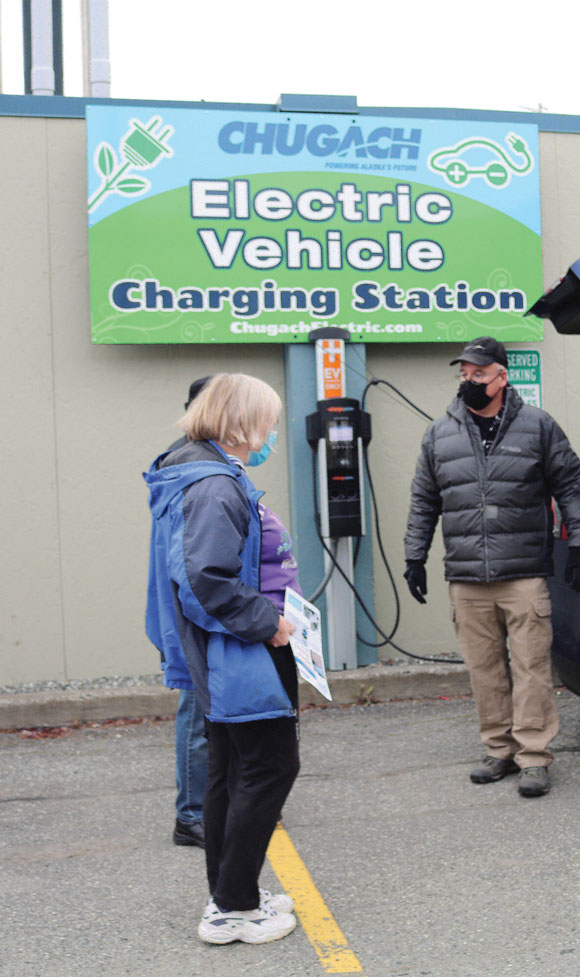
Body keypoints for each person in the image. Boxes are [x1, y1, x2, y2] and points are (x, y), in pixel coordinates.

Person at [144, 373, 301, 945]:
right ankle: (233, 908)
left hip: (226, 647)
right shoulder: (213, 485)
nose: (271, 435)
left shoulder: (194, 470)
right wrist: (270, 622)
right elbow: (206, 581)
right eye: (269, 423)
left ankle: (232, 896)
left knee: (230, 771)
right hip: (240, 648)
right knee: (268, 766)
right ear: (241, 423)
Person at [404, 337, 580, 798]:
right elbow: (425, 499)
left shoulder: (537, 427)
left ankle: (533, 757)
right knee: (484, 668)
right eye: (464, 375)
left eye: (479, 374)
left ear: (501, 377)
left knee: (530, 667)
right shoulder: (439, 433)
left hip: (524, 572)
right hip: (467, 576)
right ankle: (499, 750)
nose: (470, 382)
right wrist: (414, 556)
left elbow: (570, 482)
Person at [161, 376, 211, 850]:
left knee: (209, 712)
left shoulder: (195, 461)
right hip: (200, 618)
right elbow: (201, 568)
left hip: (197, 614)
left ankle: (206, 806)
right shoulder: (198, 470)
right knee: (199, 713)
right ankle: (193, 815)